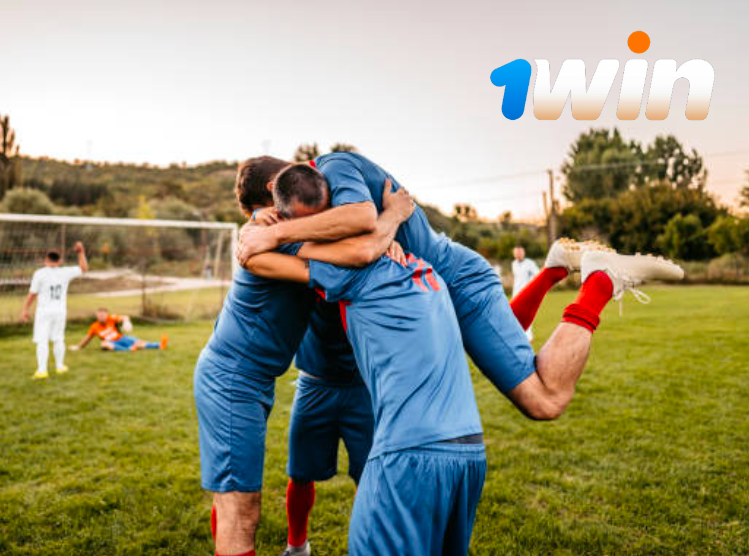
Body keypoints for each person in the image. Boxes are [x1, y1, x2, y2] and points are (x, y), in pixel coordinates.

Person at [240, 165, 683, 554]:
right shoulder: (425, 270)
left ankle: (597, 279)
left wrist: (262, 231)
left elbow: (270, 260)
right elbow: (368, 240)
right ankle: (575, 274)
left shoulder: (348, 268)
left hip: (406, 457)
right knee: (542, 396)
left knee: (544, 398)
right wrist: (392, 218)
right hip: (467, 455)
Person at [195, 176, 413, 556]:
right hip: (238, 379)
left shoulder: (276, 236)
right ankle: (296, 547)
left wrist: (385, 243)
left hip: (260, 380)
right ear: (277, 202)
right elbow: (358, 247)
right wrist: (388, 222)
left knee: (233, 498)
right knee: (240, 507)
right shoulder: (267, 244)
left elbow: (358, 247)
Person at [281, 295, 374, 556]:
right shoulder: (306, 263)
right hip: (314, 383)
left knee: (370, 476)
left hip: (363, 387)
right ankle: (297, 547)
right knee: (300, 473)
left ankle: (366, 546)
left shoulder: (366, 260)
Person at [21, 242, 88, 380]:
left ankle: (42, 370)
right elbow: (84, 268)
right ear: (60, 261)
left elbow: (32, 293)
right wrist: (81, 252)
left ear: (46, 260)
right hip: (59, 311)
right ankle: (60, 366)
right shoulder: (65, 272)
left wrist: (26, 309)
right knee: (58, 339)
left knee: (42, 340)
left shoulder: (39, 273)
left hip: (44, 311)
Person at [70, 308, 168, 352]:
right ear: (96, 316)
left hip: (121, 338)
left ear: (107, 315)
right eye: (99, 315)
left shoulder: (111, 318)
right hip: (111, 343)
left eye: (103, 315)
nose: (102, 317)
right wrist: (78, 347)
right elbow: (88, 338)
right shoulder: (94, 326)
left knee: (139, 343)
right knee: (104, 344)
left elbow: (124, 317)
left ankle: (159, 345)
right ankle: (128, 350)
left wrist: (126, 322)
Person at [511, 245, 540, 341]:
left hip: (527, 293)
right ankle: (518, 335)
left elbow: (538, 275)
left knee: (526, 314)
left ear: (523, 253)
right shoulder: (513, 264)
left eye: (520, 252)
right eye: (516, 253)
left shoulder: (530, 263)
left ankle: (528, 336)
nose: (518, 254)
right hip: (516, 293)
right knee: (515, 315)